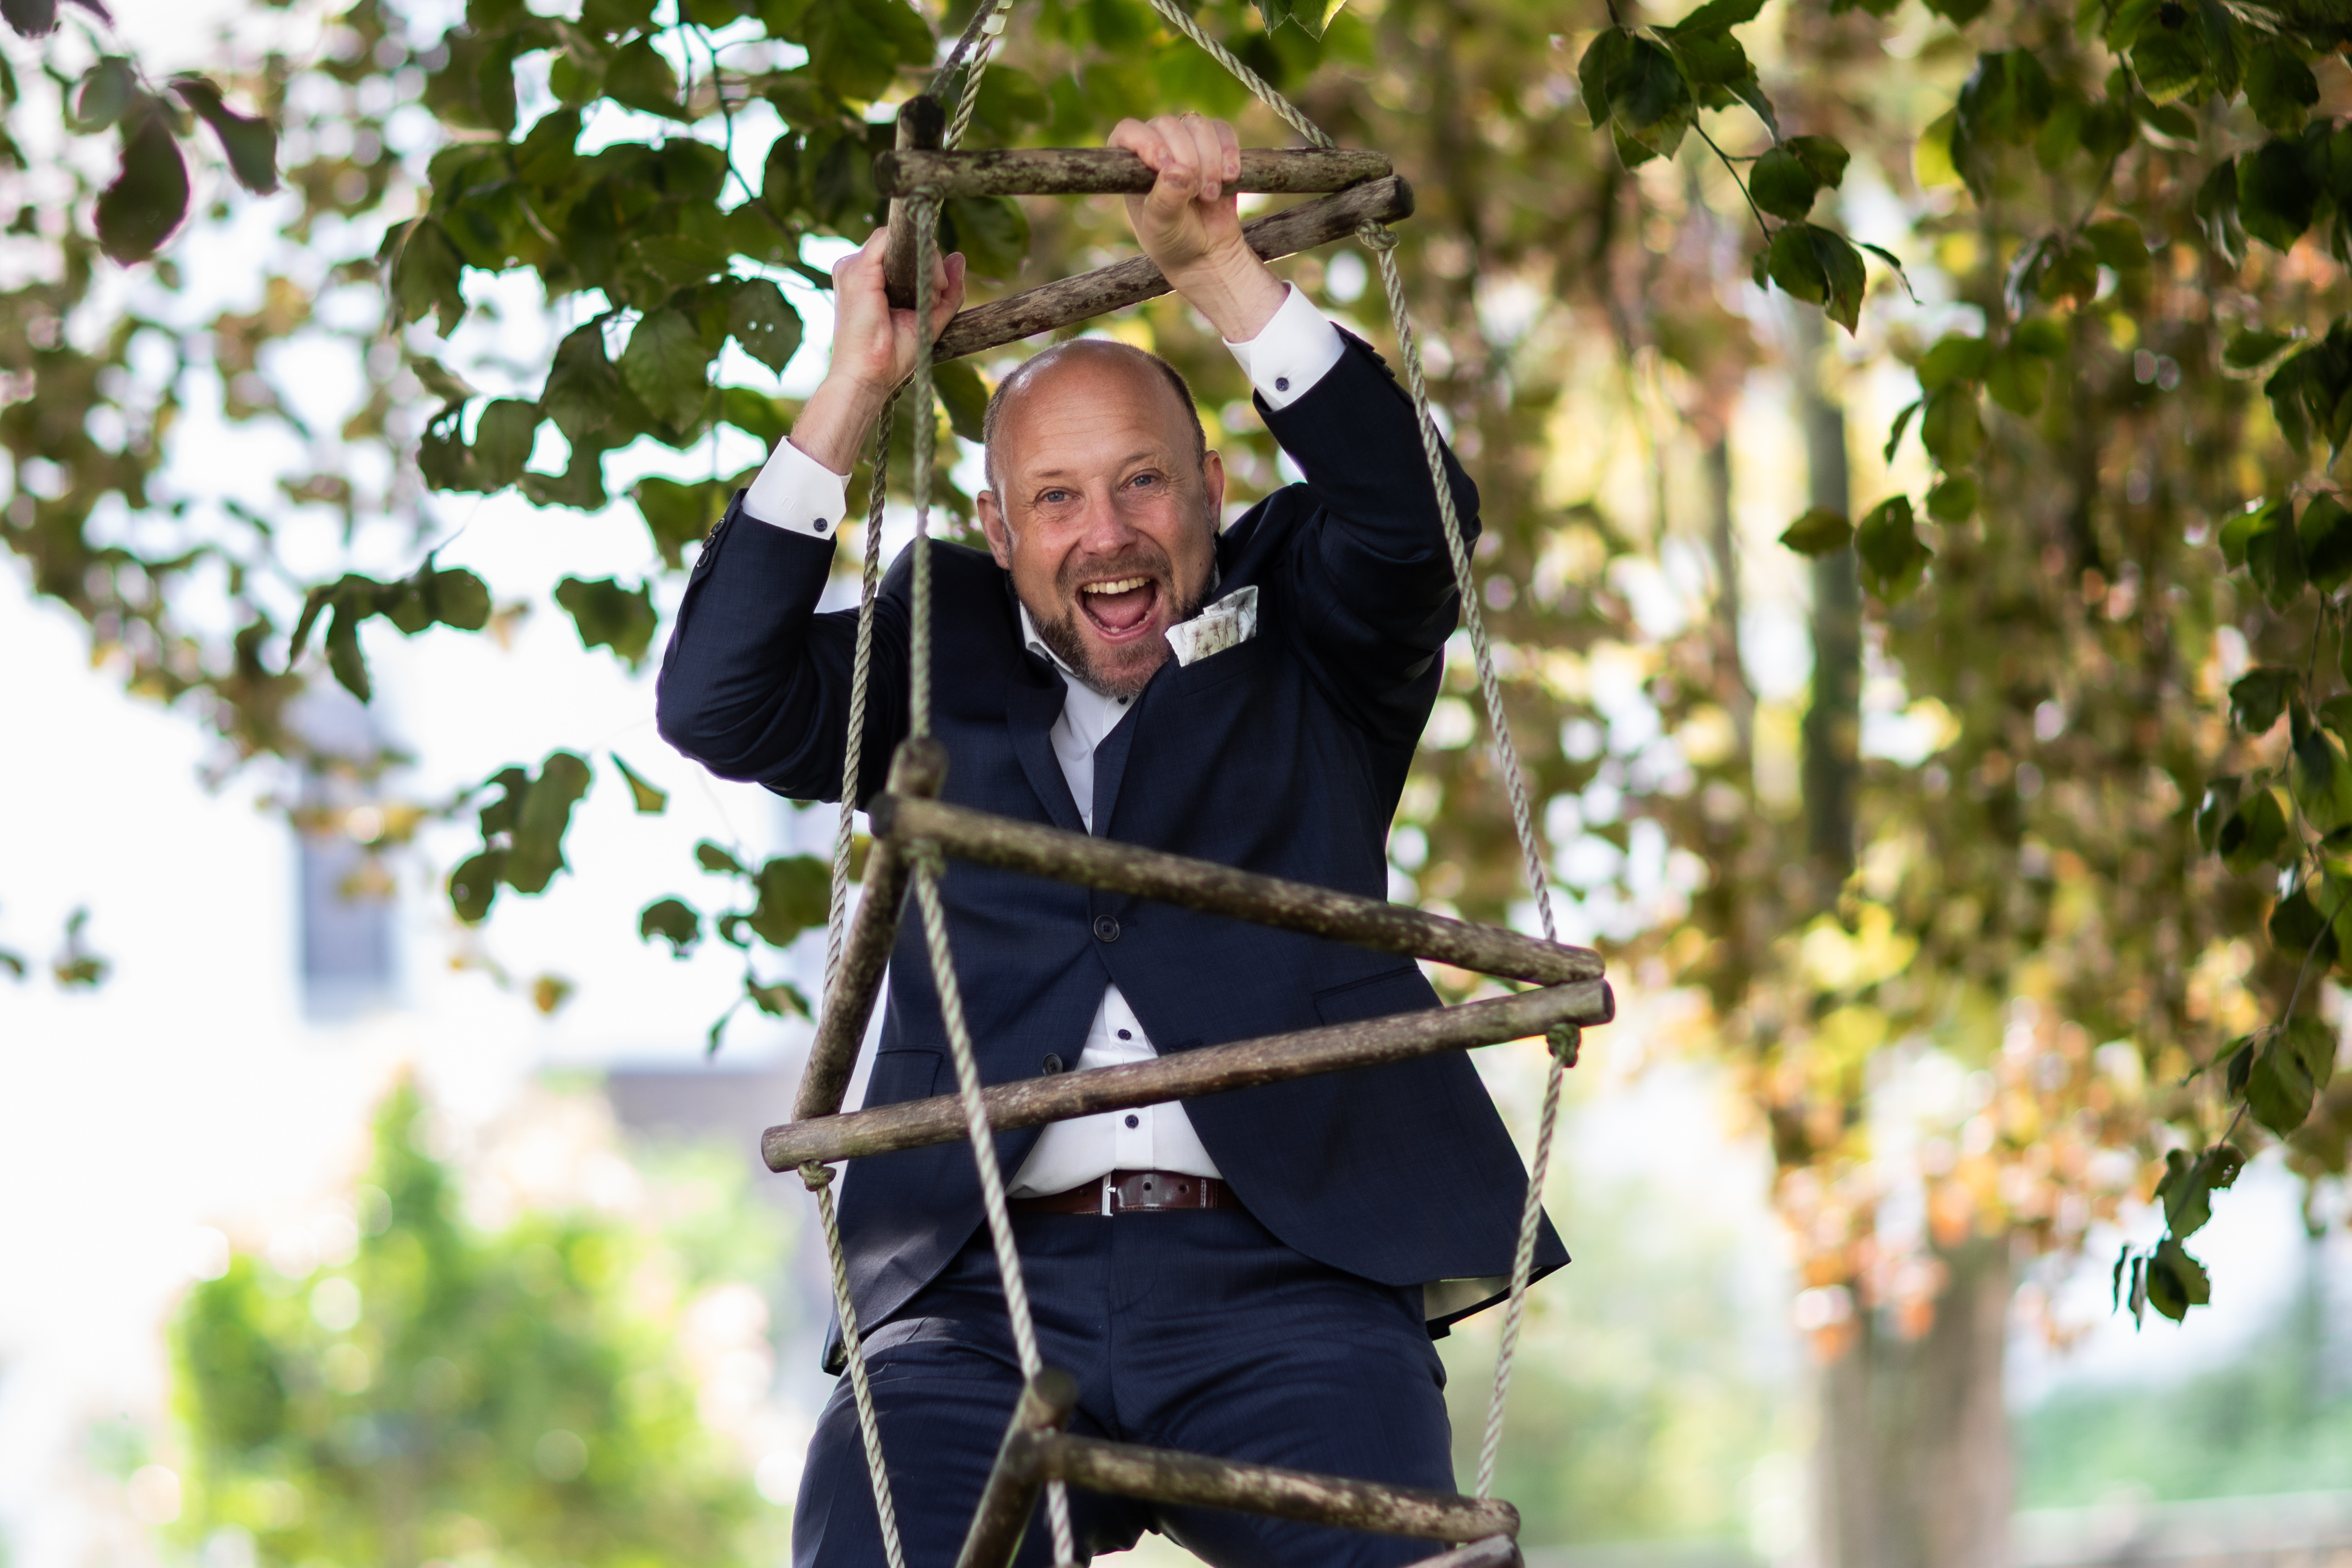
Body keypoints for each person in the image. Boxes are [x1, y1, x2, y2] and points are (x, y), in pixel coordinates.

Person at [656, 111, 1566, 1568]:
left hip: (1290, 1280)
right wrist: (852, 387)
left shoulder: (1316, 621)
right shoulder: (936, 641)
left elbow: (1421, 523)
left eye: (1142, 481)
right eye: (1057, 500)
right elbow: (717, 700)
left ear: (1211, 485)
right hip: (976, 1297)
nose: (1107, 534)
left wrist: (1216, 270)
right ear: (995, 525)